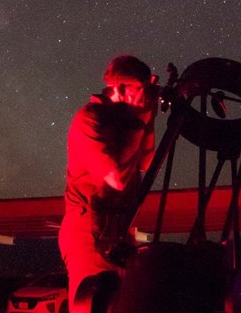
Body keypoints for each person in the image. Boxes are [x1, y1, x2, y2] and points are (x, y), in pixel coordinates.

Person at [58, 55, 157, 311]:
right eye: (140, 90)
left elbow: (146, 162)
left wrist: (147, 119)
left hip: (119, 232)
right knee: (97, 305)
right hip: (90, 231)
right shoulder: (90, 119)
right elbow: (116, 179)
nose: (143, 96)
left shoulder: (125, 121)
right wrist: (138, 122)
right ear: (120, 87)